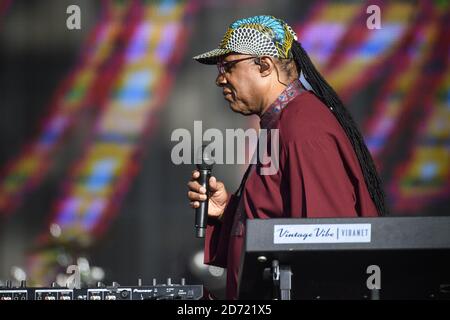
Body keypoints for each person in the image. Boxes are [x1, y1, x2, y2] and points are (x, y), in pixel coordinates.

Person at [187, 15, 387, 299]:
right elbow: (281, 227)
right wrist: (227, 213)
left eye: (228, 66)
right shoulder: (281, 122)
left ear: (265, 65)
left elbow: (328, 249)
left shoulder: (304, 127)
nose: (220, 78)